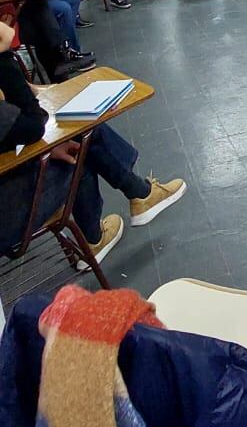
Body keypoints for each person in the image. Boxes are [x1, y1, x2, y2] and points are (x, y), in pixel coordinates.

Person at [0, 23, 186, 267]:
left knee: (74, 138)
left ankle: (133, 200)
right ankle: (128, 206)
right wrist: (2, 57)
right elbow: (33, 124)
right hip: (7, 214)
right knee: (82, 143)